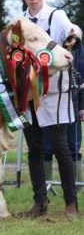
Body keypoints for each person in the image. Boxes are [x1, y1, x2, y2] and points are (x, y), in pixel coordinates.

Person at [17, 0, 83, 219]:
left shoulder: (57, 16)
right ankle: (39, 203)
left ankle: (70, 204)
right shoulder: (19, 23)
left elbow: (73, 31)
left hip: (56, 92)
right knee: (34, 149)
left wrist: (73, 37)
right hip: (30, 95)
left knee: (60, 148)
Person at [44, 44, 84, 187]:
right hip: (46, 101)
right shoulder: (44, 45)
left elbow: (81, 78)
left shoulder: (76, 47)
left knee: (73, 145)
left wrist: (82, 106)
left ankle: (77, 184)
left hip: (71, 101)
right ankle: (46, 184)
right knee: (46, 147)